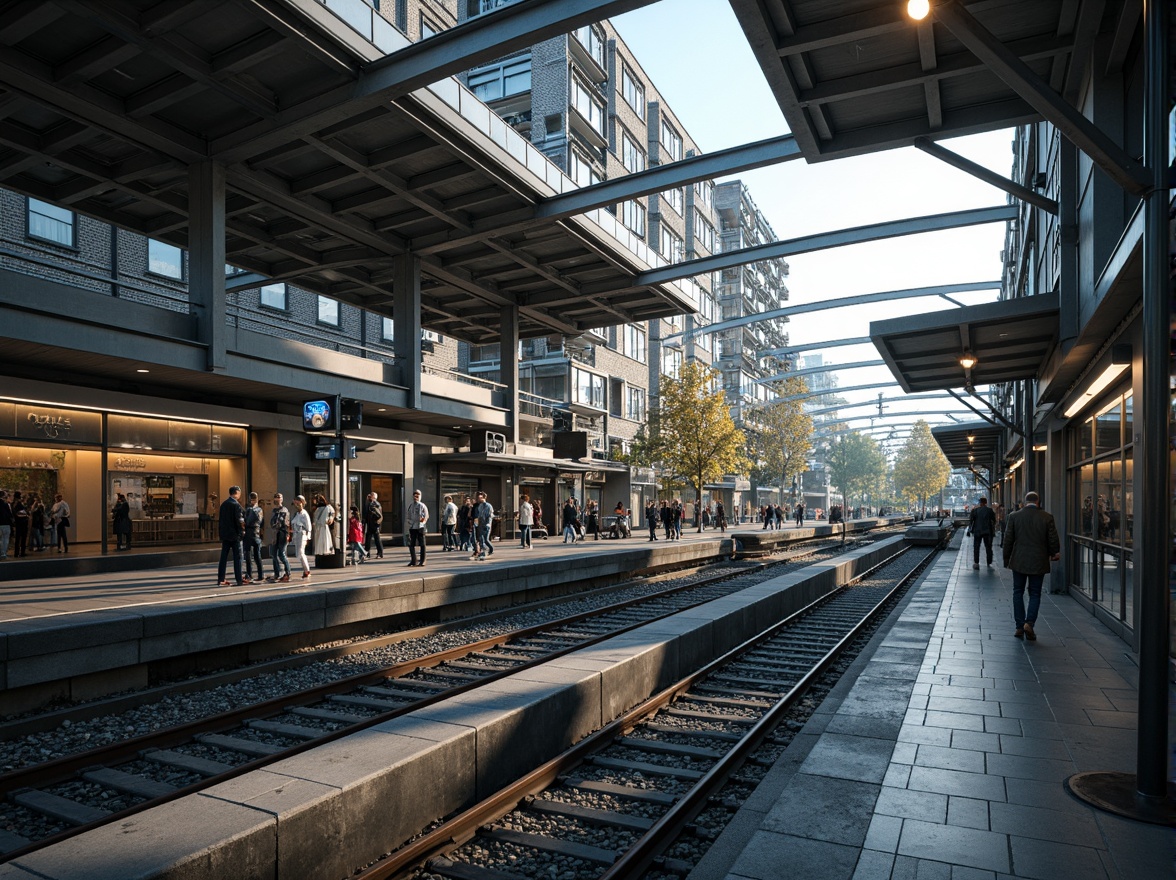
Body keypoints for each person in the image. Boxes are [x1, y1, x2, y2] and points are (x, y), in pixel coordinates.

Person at [1002, 490, 1060, 641]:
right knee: (1035, 593)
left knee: (1017, 592)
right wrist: (1055, 553)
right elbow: (1052, 538)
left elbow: (1008, 539)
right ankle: (1030, 623)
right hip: (1038, 560)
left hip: (1019, 560)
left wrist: (1006, 559)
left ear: (1024, 501)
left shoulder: (1014, 516)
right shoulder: (1047, 517)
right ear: (1038, 502)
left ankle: (1019, 626)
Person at [216, 486, 249, 586]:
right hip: (235, 536)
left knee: (223, 557)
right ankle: (239, 579)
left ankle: (221, 579)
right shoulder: (236, 505)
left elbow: (221, 520)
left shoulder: (224, 504)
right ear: (237, 493)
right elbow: (240, 521)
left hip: (225, 535)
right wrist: (242, 532)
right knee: (238, 558)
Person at [967, 496, 997, 570]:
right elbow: (994, 520)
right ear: (986, 503)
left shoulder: (975, 511)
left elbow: (971, 521)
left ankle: (976, 563)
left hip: (977, 531)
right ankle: (989, 562)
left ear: (980, 503)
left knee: (976, 547)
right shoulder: (990, 510)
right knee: (988, 547)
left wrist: (969, 530)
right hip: (987, 531)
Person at [268, 493, 291, 582]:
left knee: (281, 554)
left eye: (279, 498)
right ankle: (277, 573)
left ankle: (287, 572)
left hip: (282, 534)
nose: (277, 500)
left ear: (282, 499)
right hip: (275, 534)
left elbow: (284, 523)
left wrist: (287, 535)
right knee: (274, 554)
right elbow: (272, 522)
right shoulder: (274, 510)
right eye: (276, 498)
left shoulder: (284, 510)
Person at [242, 492, 264, 581]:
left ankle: (250, 574)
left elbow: (249, 521)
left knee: (249, 555)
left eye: (253, 499)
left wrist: (244, 523)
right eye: (252, 499)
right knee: (255, 555)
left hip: (251, 533)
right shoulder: (259, 510)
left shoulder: (253, 510)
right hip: (255, 533)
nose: (252, 501)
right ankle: (259, 574)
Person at [290, 495, 313, 579]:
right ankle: (306, 570)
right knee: (299, 553)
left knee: (301, 553)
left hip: (302, 534)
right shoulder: (297, 514)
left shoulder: (304, 514)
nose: (296, 505)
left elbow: (308, 526)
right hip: (297, 534)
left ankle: (307, 570)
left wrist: (307, 536)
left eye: (298, 503)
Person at [405, 489, 428, 566]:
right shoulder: (410, 505)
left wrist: (422, 522)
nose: (416, 498)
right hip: (412, 527)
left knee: (422, 544)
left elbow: (426, 516)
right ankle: (414, 560)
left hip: (420, 527)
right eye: (414, 496)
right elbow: (408, 516)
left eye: (417, 496)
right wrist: (410, 522)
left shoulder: (422, 505)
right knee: (411, 544)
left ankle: (423, 560)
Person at [471, 491, 494, 560]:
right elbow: (479, 515)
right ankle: (483, 552)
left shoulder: (488, 506)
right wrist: (476, 524)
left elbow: (490, 516)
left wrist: (488, 523)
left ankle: (490, 549)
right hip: (480, 524)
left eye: (480, 498)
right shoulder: (480, 506)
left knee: (486, 539)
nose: (478, 499)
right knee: (481, 539)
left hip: (486, 525)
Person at [363, 492, 384, 559]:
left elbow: (377, 514)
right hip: (371, 523)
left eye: (371, 495)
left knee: (376, 539)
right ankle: (367, 552)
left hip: (374, 524)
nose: (369, 496)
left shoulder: (374, 504)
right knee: (368, 539)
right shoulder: (370, 503)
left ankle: (379, 553)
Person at [11, 491, 28, 557]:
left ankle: (16, 552)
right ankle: (22, 552)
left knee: (17, 538)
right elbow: (23, 513)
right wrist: (26, 515)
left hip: (17, 523)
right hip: (22, 522)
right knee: (23, 538)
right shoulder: (19, 504)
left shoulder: (12, 504)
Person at [0, 490, 12, 560]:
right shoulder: (5, 504)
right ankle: (3, 553)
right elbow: (9, 514)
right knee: (5, 539)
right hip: (5, 523)